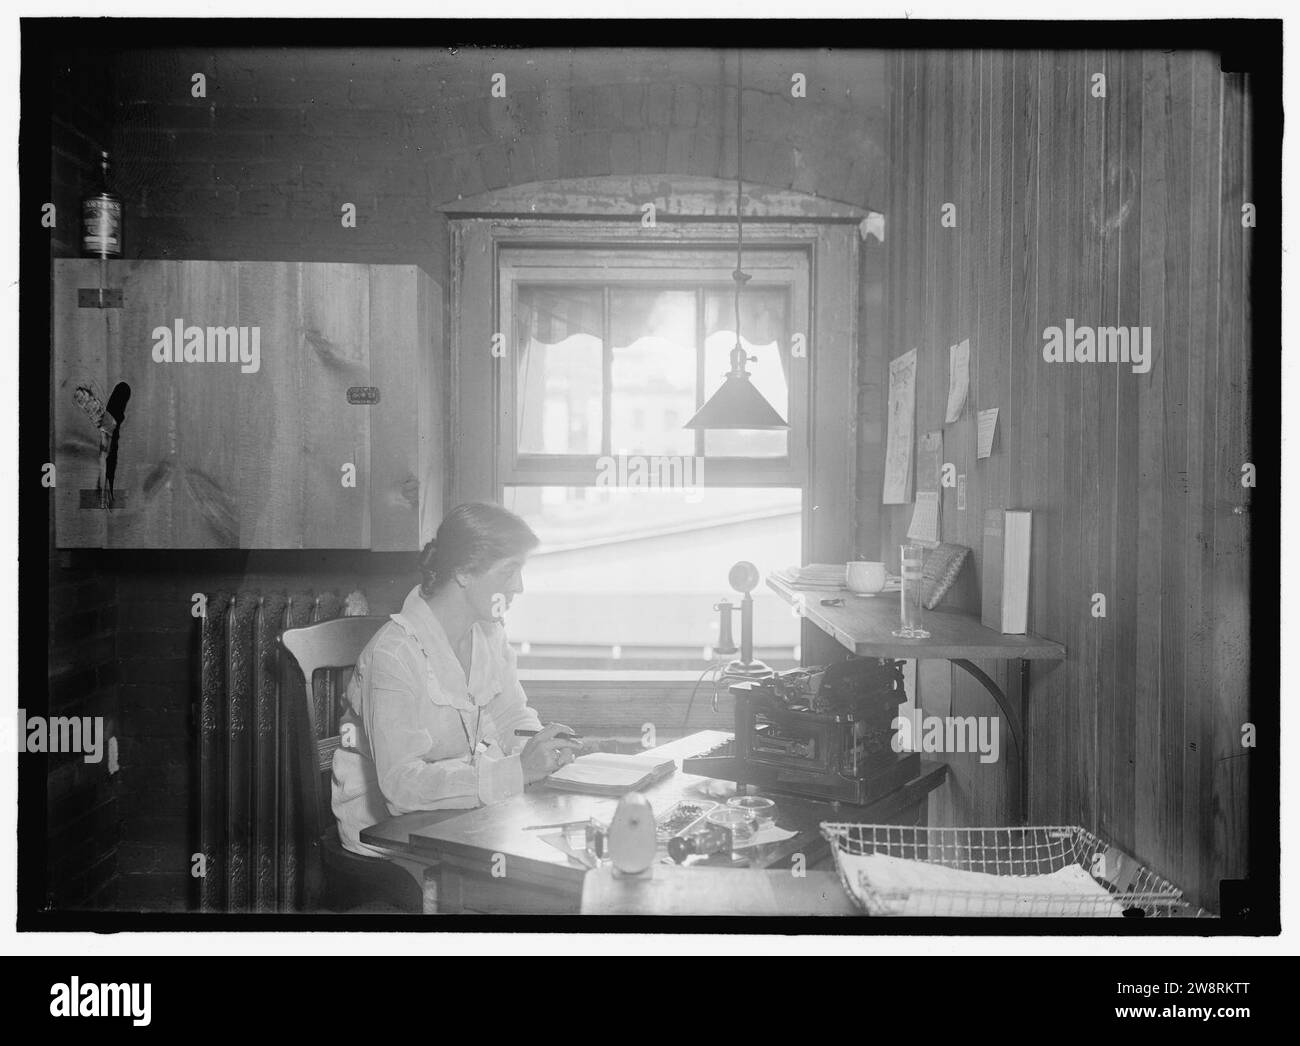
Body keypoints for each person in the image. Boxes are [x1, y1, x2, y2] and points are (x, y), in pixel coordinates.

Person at [332, 501, 583, 857]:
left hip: (461, 817)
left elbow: (511, 715)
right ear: (464, 572)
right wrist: (516, 772)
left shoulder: (489, 633)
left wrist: (544, 751)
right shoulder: (393, 653)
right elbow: (401, 787)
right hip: (389, 835)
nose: (520, 586)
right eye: (509, 571)